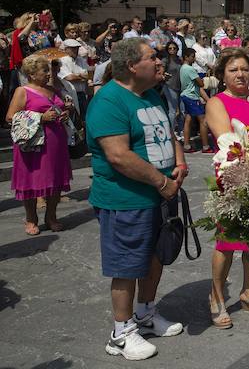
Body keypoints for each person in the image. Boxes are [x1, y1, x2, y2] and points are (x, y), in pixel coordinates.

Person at [86, 38, 188, 361]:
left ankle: (145, 313)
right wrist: (161, 182)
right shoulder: (109, 102)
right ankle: (121, 332)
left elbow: (168, 135)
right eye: (151, 57)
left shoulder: (150, 96)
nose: (158, 62)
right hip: (126, 198)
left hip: (159, 196)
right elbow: (118, 156)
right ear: (132, 66)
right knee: (127, 265)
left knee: (155, 256)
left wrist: (180, 163)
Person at [204, 47, 249, 329]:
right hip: (233, 175)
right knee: (228, 242)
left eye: (245, 69)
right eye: (233, 70)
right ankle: (216, 295)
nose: (240, 74)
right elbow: (227, 140)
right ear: (222, 74)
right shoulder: (217, 103)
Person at [6, 54, 74, 235]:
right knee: (31, 182)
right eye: (44, 71)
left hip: (56, 143)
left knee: (55, 180)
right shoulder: (23, 91)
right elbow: (10, 117)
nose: (48, 74)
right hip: (32, 145)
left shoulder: (53, 89)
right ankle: (31, 218)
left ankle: (51, 216)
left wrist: (66, 112)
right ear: (31, 73)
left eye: (48, 70)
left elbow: (59, 108)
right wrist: (40, 118)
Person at [179, 48, 212, 153]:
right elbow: (201, 84)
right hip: (192, 97)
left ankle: (187, 145)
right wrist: (203, 80)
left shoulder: (182, 68)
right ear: (186, 57)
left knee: (188, 120)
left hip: (186, 95)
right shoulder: (189, 69)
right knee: (203, 120)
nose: (194, 59)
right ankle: (205, 146)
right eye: (192, 56)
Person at [59, 38, 90, 115]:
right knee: (75, 118)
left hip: (82, 94)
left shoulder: (81, 60)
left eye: (77, 48)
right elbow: (69, 77)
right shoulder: (62, 60)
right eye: (73, 48)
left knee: (84, 117)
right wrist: (81, 76)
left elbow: (88, 74)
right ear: (66, 49)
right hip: (70, 95)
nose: (75, 50)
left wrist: (76, 76)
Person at [160, 43, 183, 138]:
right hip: (169, 86)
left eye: (174, 48)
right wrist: (164, 75)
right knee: (172, 110)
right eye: (170, 48)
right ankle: (171, 132)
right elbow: (161, 72)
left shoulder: (179, 60)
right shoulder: (165, 60)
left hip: (180, 86)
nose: (172, 49)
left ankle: (180, 131)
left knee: (182, 110)